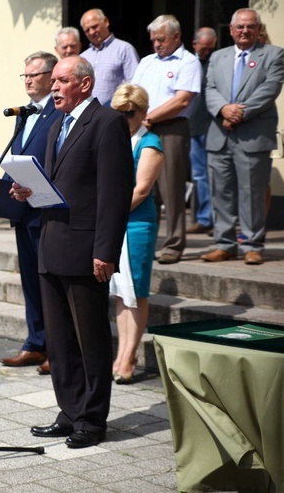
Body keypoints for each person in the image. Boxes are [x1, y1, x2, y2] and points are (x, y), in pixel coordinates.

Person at [13, 56, 134, 449]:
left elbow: (114, 193)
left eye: (62, 80)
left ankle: (92, 420)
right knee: (60, 341)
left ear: (84, 84)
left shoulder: (107, 122)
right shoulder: (55, 125)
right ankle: (69, 412)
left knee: (90, 339)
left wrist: (106, 251)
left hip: (86, 248)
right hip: (50, 242)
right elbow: (55, 184)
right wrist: (28, 191)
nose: (54, 87)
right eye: (54, 81)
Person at [202, 8, 284, 266]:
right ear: (231, 29)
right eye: (240, 27)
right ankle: (225, 244)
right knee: (220, 193)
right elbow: (210, 89)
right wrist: (223, 110)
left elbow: (269, 89)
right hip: (220, 134)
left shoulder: (273, 54)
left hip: (252, 135)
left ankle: (252, 244)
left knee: (252, 193)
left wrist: (238, 113)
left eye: (250, 26)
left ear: (259, 29)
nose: (245, 31)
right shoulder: (218, 56)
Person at [0, 51, 61, 375]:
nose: (28, 80)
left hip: (47, 210)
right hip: (22, 211)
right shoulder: (25, 114)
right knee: (30, 282)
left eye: (34, 74)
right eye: (24, 75)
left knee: (49, 282)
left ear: (51, 76)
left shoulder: (58, 112)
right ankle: (35, 343)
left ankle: (57, 348)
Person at [132, 15, 202, 264]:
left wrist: (147, 118)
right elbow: (134, 92)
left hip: (171, 128)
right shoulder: (147, 61)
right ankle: (147, 241)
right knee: (144, 187)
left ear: (176, 36)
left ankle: (173, 244)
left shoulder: (188, 62)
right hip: (143, 128)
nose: (156, 45)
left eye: (161, 39)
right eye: (153, 40)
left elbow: (182, 100)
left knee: (171, 189)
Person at [109, 84, 165, 384]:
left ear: (143, 113)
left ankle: (130, 355)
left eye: (128, 113)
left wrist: (109, 216)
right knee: (120, 293)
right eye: (117, 112)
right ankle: (121, 353)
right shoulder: (117, 139)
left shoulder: (150, 142)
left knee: (137, 292)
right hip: (116, 223)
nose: (123, 118)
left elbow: (141, 190)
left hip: (136, 224)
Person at [187, 27, 218, 235]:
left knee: (214, 175)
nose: (206, 52)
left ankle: (212, 218)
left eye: (210, 48)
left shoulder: (216, 63)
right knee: (199, 176)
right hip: (191, 126)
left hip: (212, 126)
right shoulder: (189, 64)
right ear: (194, 44)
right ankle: (203, 218)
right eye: (203, 48)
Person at [80, 8, 139, 107]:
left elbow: (134, 85)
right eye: (87, 30)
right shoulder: (83, 57)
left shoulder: (124, 49)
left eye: (94, 27)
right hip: (88, 114)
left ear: (106, 22)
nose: (91, 32)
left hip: (115, 112)